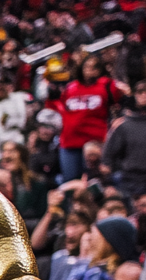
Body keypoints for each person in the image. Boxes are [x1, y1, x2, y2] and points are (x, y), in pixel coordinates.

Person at [52, 54, 128, 183]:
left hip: (95, 141)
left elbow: (124, 101)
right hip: (69, 141)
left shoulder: (107, 85)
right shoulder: (70, 87)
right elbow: (61, 108)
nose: (90, 70)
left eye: (94, 67)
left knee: (97, 182)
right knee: (71, 182)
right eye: (87, 66)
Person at [0, 140, 47, 230]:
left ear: (22, 155)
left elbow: (40, 214)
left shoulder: (36, 182)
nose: (6, 155)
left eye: (12, 151)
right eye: (4, 151)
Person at [44, 206, 92, 280]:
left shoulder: (92, 261)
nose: (70, 232)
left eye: (76, 225)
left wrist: (83, 256)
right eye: (69, 224)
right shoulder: (59, 257)